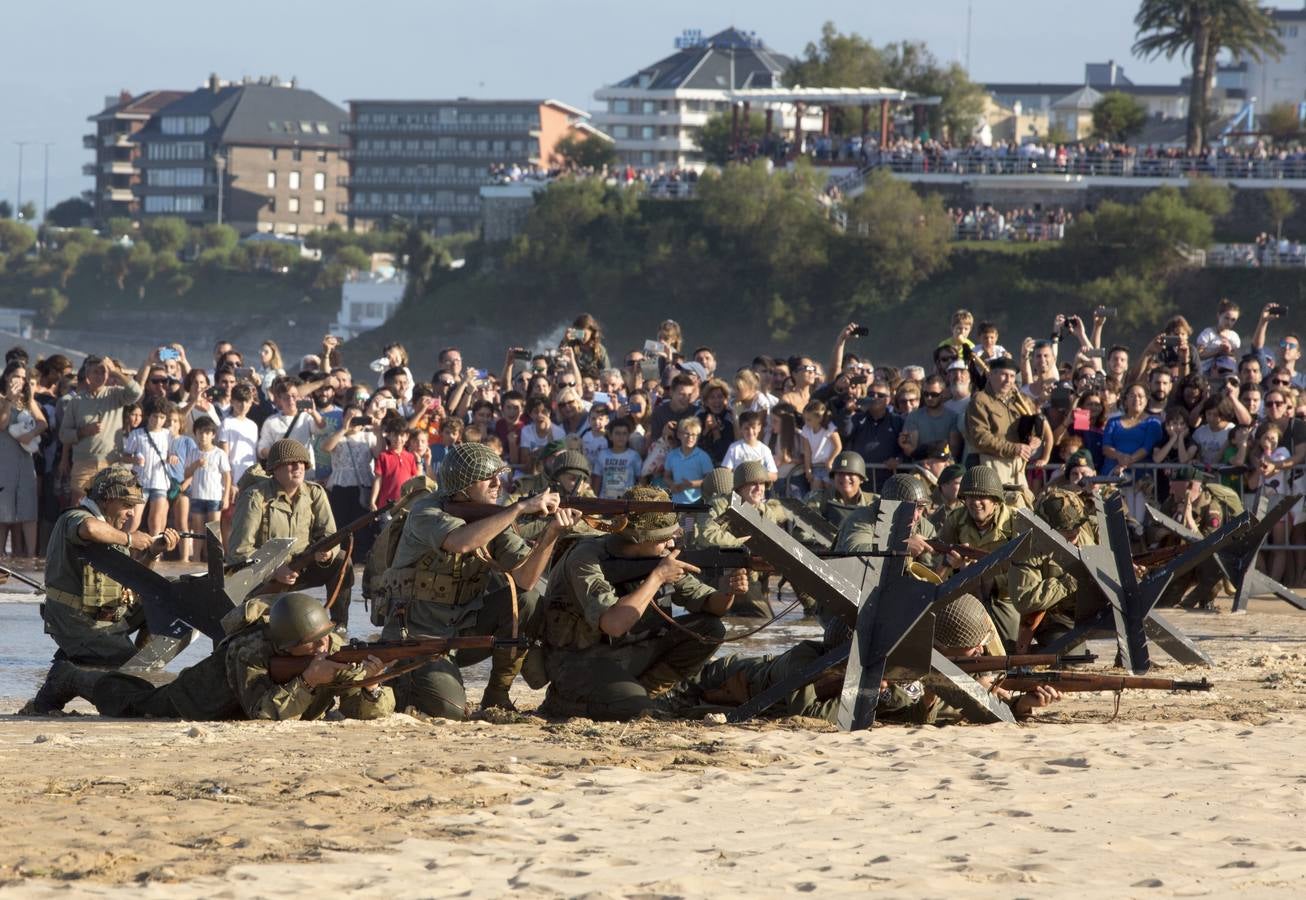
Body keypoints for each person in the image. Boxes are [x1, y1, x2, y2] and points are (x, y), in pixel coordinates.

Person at [375, 441, 578, 716]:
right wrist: (518, 509)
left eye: (499, 477)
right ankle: (401, 680)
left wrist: (551, 534)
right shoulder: (426, 511)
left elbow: (525, 580)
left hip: (464, 630)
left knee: (528, 600)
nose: (498, 484)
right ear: (463, 485)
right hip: (416, 633)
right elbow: (461, 542)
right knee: (451, 711)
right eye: (488, 479)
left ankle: (497, 694)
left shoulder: (496, 515)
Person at [538, 486, 748, 721]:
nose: (670, 544)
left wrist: (728, 591)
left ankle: (651, 692)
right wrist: (657, 577)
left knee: (710, 629)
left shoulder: (657, 557)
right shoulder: (586, 558)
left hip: (630, 653)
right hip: (579, 663)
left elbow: (710, 605)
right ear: (639, 538)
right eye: (662, 539)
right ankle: (564, 703)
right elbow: (614, 624)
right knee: (633, 709)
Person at [59, 593, 394, 721]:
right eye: (311, 644)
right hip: (197, 699)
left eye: (324, 639)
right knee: (133, 702)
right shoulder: (249, 650)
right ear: (287, 645)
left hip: (235, 708)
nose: (323, 648)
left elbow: (359, 708)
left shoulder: (329, 644)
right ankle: (72, 677)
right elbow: (261, 714)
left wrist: (371, 688)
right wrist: (308, 682)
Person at [19, 466, 179, 715]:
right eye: (126, 504)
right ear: (106, 500)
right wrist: (130, 539)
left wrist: (152, 552)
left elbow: (132, 581)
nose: (131, 512)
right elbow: (89, 530)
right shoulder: (75, 517)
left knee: (165, 602)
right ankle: (76, 675)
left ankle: (93, 667)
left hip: (105, 612)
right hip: (77, 620)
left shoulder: (111, 529)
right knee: (129, 677)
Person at [228, 439, 353, 627]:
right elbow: (238, 552)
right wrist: (273, 572)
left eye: (302, 462)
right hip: (263, 576)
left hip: (303, 566)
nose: (298, 467)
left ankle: (339, 625)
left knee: (342, 559)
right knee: (262, 629)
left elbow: (330, 535)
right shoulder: (255, 497)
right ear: (275, 469)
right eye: (290, 462)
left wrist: (327, 553)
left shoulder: (314, 493)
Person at [938, 466, 1020, 648]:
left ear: (996, 501)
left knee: (1008, 647)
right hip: (965, 595)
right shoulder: (955, 520)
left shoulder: (1015, 522)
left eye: (982, 497)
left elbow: (1024, 571)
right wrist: (953, 565)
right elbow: (938, 571)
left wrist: (986, 575)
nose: (975, 503)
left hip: (1004, 596)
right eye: (970, 497)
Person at [698, 460, 793, 618]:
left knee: (763, 620)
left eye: (762, 484)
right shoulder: (720, 505)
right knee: (761, 620)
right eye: (753, 483)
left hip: (754, 573)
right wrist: (744, 541)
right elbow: (706, 536)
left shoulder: (765, 512)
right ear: (740, 487)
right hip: (722, 572)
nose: (759, 488)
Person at [1010, 488, 1097, 651]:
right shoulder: (1029, 549)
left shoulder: (1083, 532)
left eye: (1076, 526)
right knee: (1071, 656)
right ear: (1046, 528)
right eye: (1064, 528)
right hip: (1052, 615)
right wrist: (1070, 582)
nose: (1072, 532)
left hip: (1086, 611)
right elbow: (1024, 599)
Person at [1151, 466, 1244, 610]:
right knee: (1163, 605)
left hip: (1205, 561)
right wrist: (1164, 531)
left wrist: (1189, 518)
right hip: (1180, 561)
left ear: (1191, 486)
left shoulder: (1211, 507)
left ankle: (1206, 602)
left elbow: (1209, 544)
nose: (1171, 491)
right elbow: (1153, 529)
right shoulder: (1172, 502)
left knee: (1212, 573)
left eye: (1175, 488)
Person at [60, 355, 147, 504]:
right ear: (87, 376)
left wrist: (116, 372)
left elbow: (136, 393)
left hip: (110, 462)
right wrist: (83, 431)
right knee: (79, 507)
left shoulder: (115, 394)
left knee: (108, 507)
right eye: (96, 372)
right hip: (84, 463)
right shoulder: (76, 401)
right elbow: (63, 435)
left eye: (103, 372)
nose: (100, 375)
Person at [964, 357, 1039, 506]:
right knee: (996, 511)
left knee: (1023, 511)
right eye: (1003, 375)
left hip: (1018, 466)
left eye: (1012, 376)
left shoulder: (1021, 400)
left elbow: (1037, 425)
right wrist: (1014, 448)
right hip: (991, 465)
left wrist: (1035, 440)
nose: (1008, 380)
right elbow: (980, 437)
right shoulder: (980, 400)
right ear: (991, 375)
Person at [0, 360, 47, 557]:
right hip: (4, 460)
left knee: (29, 511)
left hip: (25, 461)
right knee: (3, 512)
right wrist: (9, 400)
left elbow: (43, 423)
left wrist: (32, 433)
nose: (19, 380)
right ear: (7, 377)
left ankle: (30, 558)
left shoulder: (28, 400)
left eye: (22, 377)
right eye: (16, 376)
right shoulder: (3, 398)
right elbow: (1, 425)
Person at [803, 450, 876, 532]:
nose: (845, 478)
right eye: (840, 473)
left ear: (861, 478)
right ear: (834, 477)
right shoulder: (817, 499)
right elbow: (805, 533)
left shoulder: (875, 502)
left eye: (851, 473)